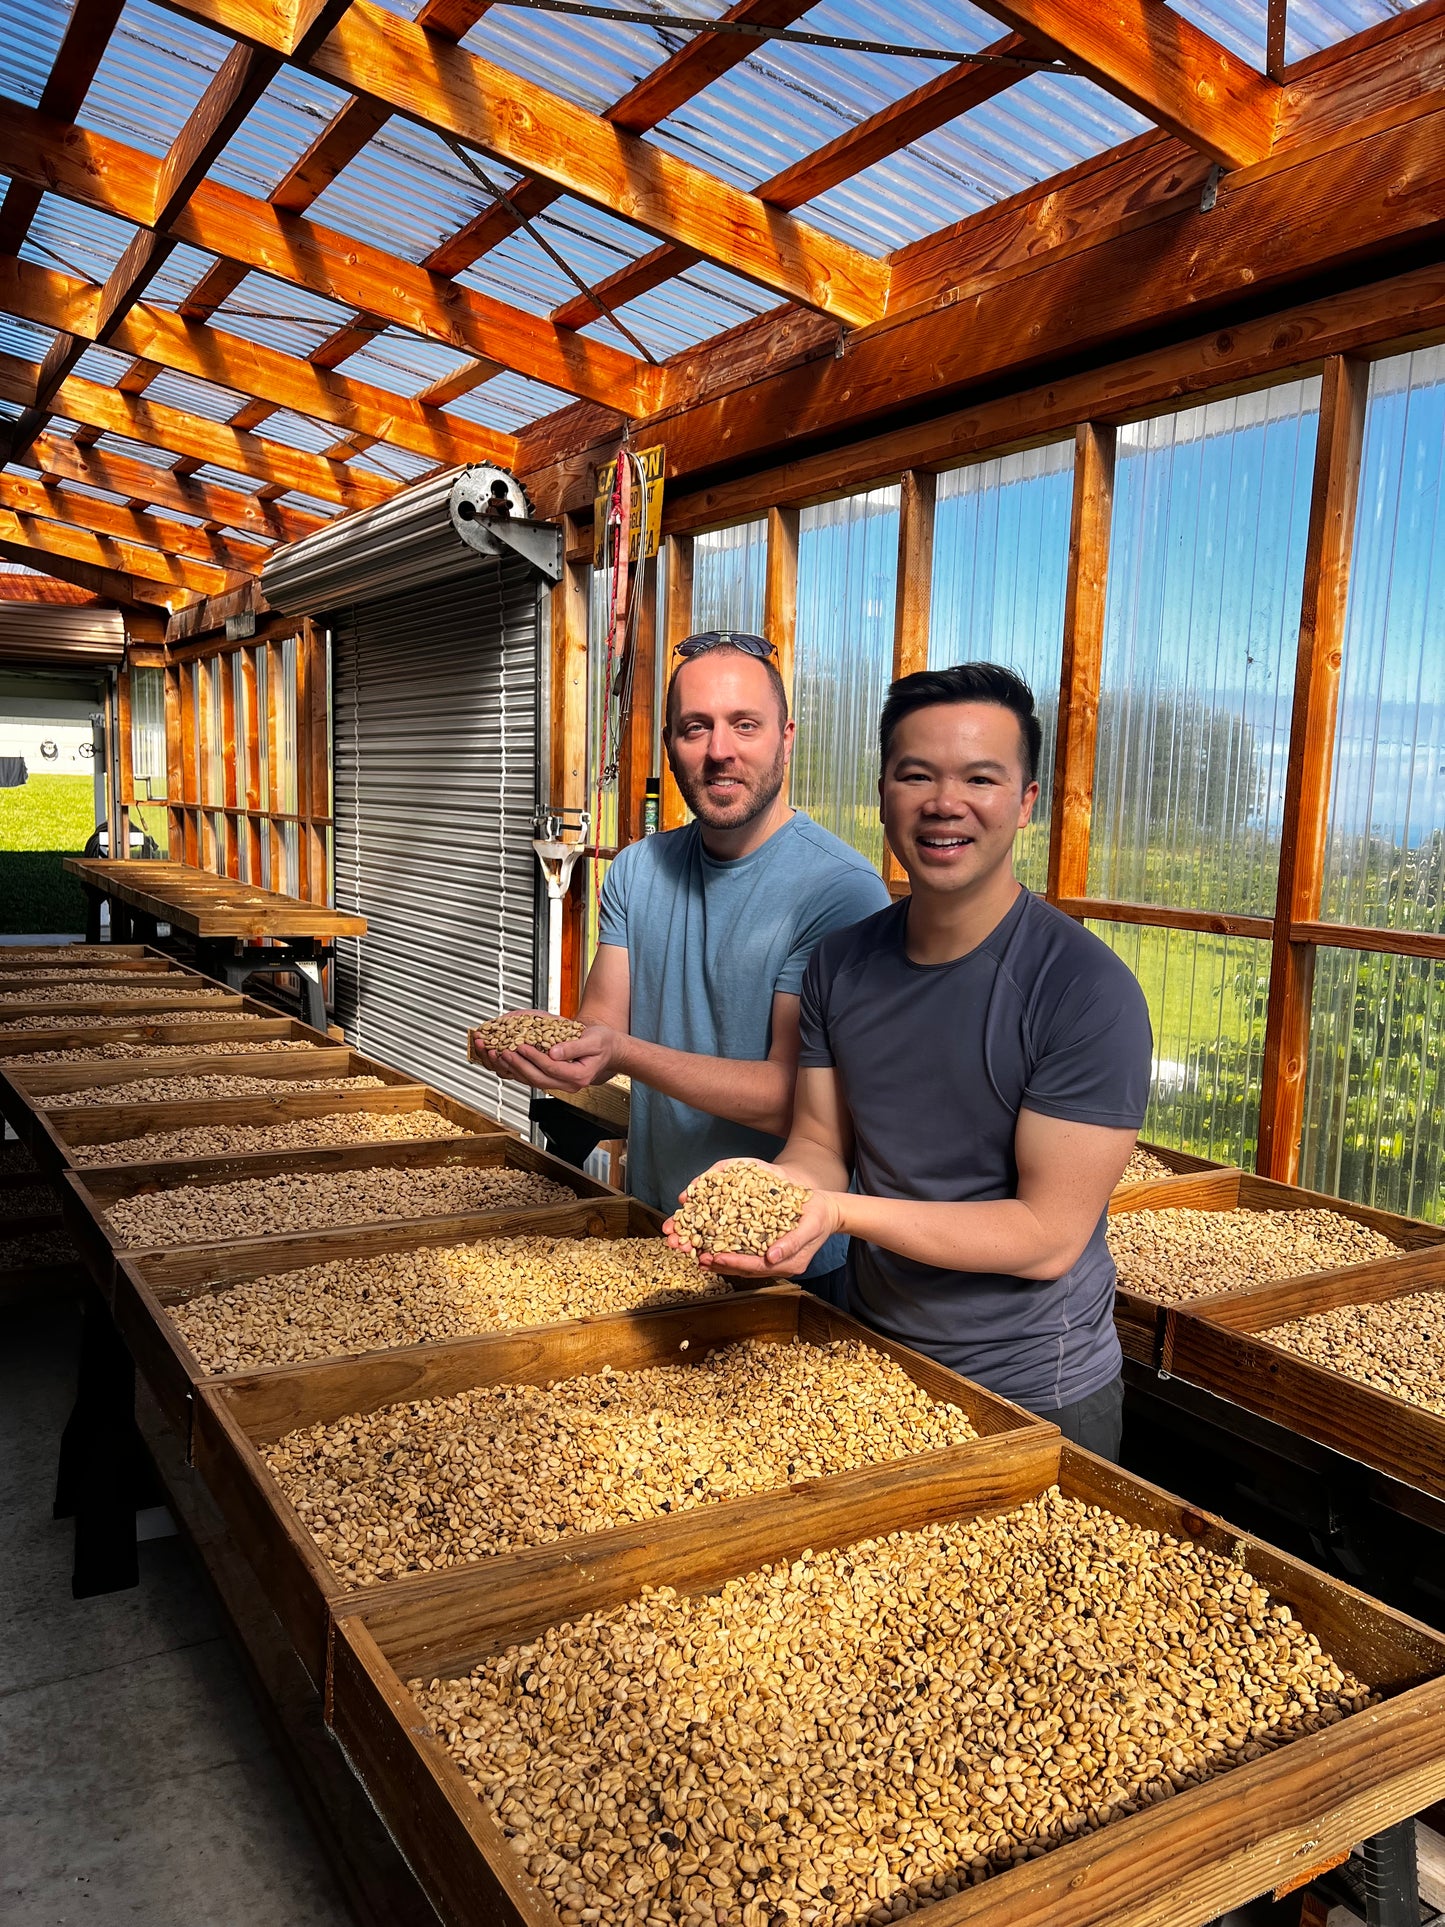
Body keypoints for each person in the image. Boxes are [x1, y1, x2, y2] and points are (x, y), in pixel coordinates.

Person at [666, 663, 1153, 1459]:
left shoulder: (1085, 992)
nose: (943, 803)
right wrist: (767, 1193)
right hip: (873, 1358)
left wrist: (837, 1214)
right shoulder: (840, 966)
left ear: (1026, 801)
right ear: (883, 791)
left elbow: (1045, 1235)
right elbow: (820, 1150)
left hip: (1033, 1388)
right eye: (915, 774)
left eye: (980, 778)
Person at [475, 630, 890, 1299]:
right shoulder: (638, 870)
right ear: (668, 744)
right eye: (695, 727)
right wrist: (558, 1049)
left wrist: (622, 1051)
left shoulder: (838, 892)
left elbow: (792, 1098)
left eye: (743, 725)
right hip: (657, 1226)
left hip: (785, 1257)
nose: (719, 750)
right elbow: (602, 1032)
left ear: (786, 736)